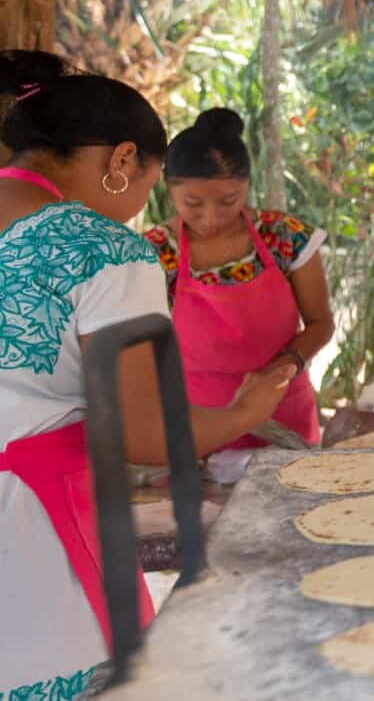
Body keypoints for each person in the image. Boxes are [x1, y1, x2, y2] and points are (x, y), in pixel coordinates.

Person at [0, 51, 294, 694]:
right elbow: (140, 435)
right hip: (30, 545)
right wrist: (246, 413)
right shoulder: (104, 249)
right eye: (148, 186)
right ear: (123, 161)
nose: (139, 206)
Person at [144, 108, 333, 449]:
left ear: (247, 185)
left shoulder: (285, 236)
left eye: (228, 201)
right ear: (169, 190)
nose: (211, 218)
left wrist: (278, 371)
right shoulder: (154, 253)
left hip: (284, 410)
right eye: (193, 203)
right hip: (199, 423)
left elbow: (320, 323)